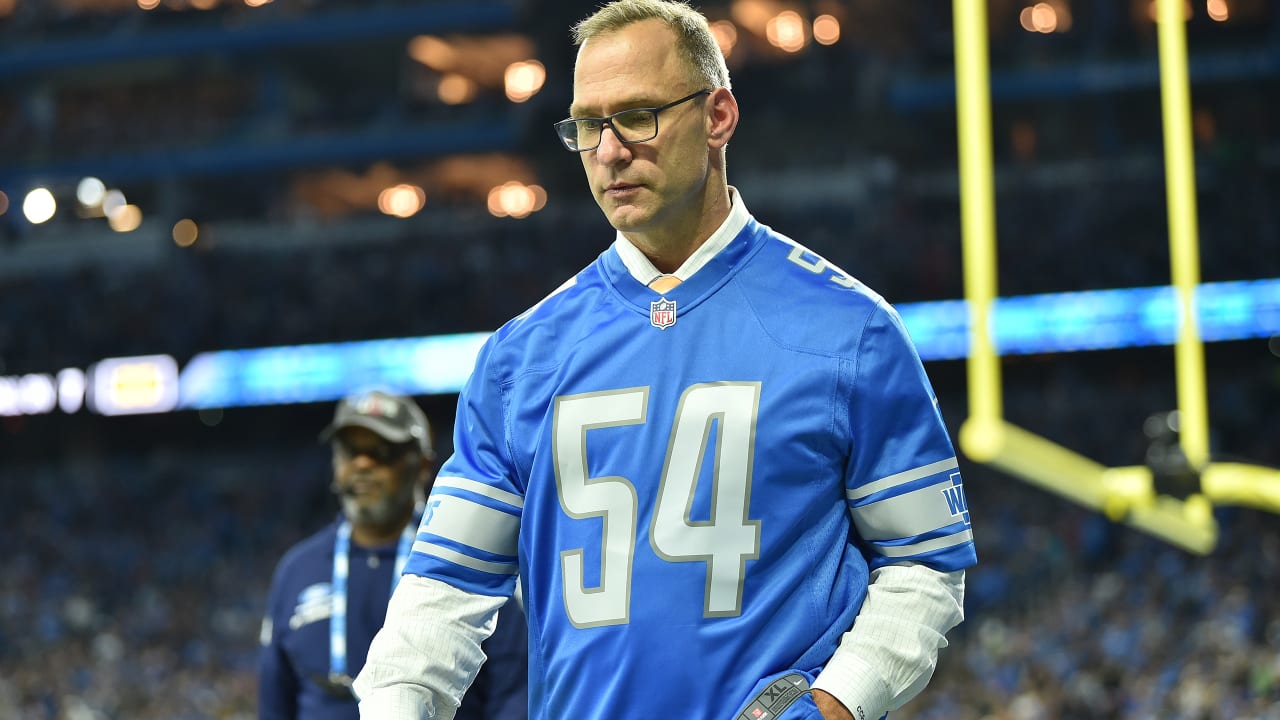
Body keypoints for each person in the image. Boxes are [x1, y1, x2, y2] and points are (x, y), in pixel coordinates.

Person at [354, 1, 977, 718]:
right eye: (589, 125)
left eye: (639, 115)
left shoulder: (851, 331)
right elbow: (442, 595)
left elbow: (925, 567)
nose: (610, 150)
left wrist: (837, 704)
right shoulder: (519, 359)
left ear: (718, 116)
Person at [259, 390, 528, 720]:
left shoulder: (464, 556)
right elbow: (275, 703)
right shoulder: (297, 569)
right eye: (350, 451)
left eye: (382, 452)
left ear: (423, 464)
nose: (363, 464)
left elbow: (513, 692)